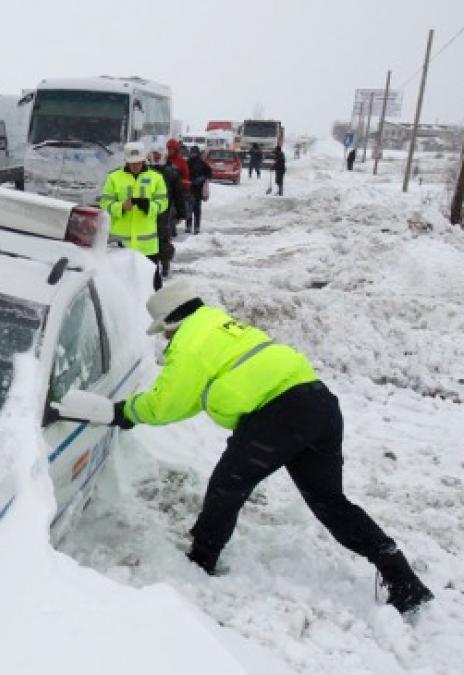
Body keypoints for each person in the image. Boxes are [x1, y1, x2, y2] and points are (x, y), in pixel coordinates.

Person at [110, 280, 434, 616]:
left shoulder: (189, 342)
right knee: (331, 502)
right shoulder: (219, 326)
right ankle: (403, 579)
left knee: (227, 484)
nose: (165, 339)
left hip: (278, 415)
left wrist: (126, 413)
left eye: (164, 331)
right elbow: (191, 396)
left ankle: (201, 559)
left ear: (172, 323)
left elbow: (167, 403)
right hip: (319, 404)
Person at [99, 142, 169, 289]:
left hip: (147, 246)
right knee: (119, 286)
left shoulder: (156, 178)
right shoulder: (114, 177)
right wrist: (121, 207)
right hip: (120, 245)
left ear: (143, 160)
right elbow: (105, 204)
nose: (135, 166)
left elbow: (163, 203)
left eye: (138, 162)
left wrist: (149, 206)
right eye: (132, 163)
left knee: (151, 286)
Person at [148, 147, 183, 278]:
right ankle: (150, 265)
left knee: (163, 240)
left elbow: (178, 194)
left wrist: (181, 213)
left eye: (158, 155)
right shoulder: (145, 171)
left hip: (165, 212)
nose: (156, 157)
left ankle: (165, 264)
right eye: (154, 154)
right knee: (148, 240)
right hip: (147, 212)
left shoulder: (171, 172)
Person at [165, 139, 191, 235]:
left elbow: (186, 177)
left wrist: (182, 184)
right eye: (168, 149)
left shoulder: (181, 162)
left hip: (176, 191)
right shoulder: (164, 160)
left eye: (172, 149)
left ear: (176, 150)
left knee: (173, 211)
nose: (170, 151)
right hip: (165, 190)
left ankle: (171, 229)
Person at [186, 146, 212, 234]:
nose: (192, 154)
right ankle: (190, 226)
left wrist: (202, 179)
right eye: (191, 152)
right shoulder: (188, 162)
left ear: (197, 153)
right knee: (190, 208)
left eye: (194, 152)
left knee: (195, 208)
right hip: (191, 188)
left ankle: (195, 226)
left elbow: (209, 173)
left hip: (196, 189)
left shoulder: (201, 163)